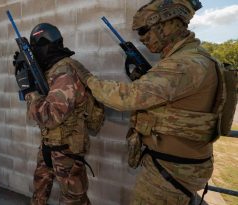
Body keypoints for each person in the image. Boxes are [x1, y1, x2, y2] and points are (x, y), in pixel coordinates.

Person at [73, 0, 225, 204]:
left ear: (168, 23)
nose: (142, 38)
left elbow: (127, 97)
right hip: (178, 165)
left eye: (145, 30)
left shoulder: (183, 64)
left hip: (172, 171)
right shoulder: (193, 58)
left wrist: (87, 78)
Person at [13, 23, 97, 205]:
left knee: (73, 198)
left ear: (49, 45)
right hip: (49, 142)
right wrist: (27, 72)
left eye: (37, 48)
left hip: (67, 148)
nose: (36, 52)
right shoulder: (51, 69)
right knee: (40, 186)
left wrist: (29, 91)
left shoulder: (64, 71)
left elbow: (50, 116)